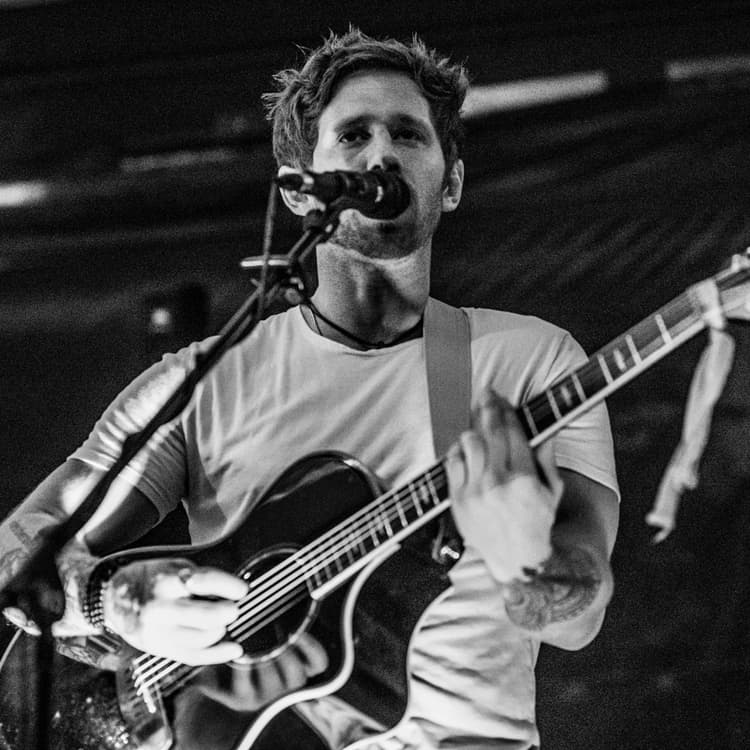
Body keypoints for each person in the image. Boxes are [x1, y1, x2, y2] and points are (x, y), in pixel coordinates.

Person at [0, 28, 619, 750]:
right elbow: (17, 550)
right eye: (353, 135)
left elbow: (581, 621)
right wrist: (112, 600)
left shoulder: (533, 360)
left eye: (408, 135)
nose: (382, 154)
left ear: (449, 183)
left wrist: (527, 561)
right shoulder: (204, 381)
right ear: (299, 191)